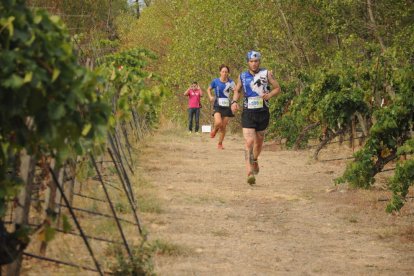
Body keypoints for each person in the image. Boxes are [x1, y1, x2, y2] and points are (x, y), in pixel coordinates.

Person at [231, 51, 281, 185]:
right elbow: (237, 90)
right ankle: (249, 173)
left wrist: (269, 95)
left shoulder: (266, 74)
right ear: (248, 62)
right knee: (249, 142)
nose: (254, 63)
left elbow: (277, 88)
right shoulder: (242, 76)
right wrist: (234, 102)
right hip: (248, 113)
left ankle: (255, 159)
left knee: (259, 142)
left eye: (256, 61)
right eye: (251, 61)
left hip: (263, 112)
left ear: (259, 62)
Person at [207, 64, 236, 149]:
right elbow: (208, 89)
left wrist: (234, 102)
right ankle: (215, 130)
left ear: (228, 73)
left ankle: (220, 143)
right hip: (217, 104)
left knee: (223, 126)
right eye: (223, 71)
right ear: (220, 72)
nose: (224, 73)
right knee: (218, 122)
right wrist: (210, 97)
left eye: (226, 72)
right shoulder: (215, 81)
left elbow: (236, 91)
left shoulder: (231, 82)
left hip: (227, 105)